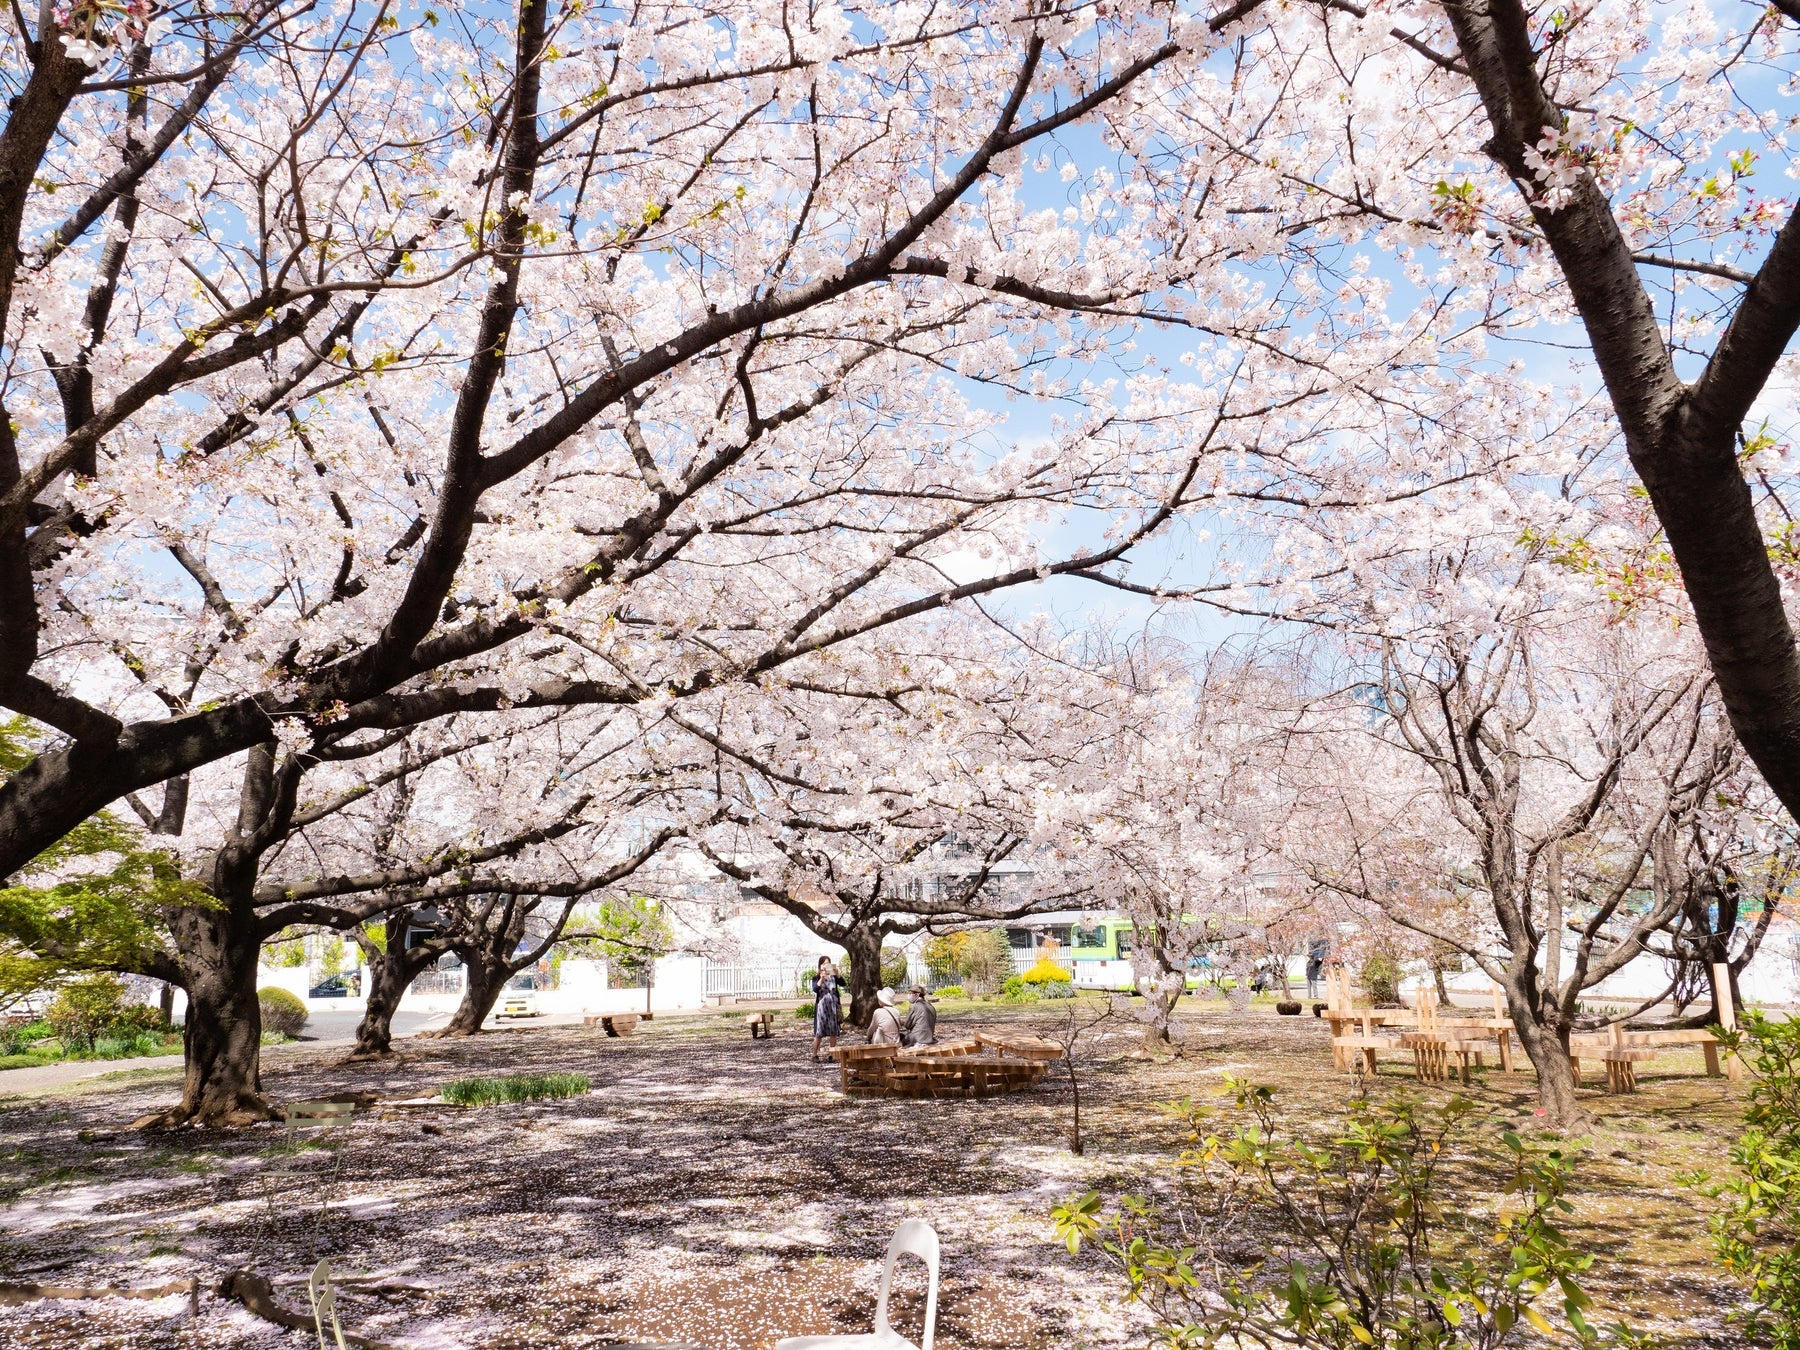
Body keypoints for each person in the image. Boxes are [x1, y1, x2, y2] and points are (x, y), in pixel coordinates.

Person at [811, 957, 847, 1062]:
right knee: (819, 1032)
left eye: (828, 963)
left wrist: (837, 973)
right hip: (822, 1007)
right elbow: (815, 989)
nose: (826, 966)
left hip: (833, 1006)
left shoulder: (834, 977)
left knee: (833, 1031)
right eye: (824, 964)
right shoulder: (816, 977)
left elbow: (843, 984)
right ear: (820, 965)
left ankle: (832, 1054)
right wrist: (821, 978)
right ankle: (814, 1054)